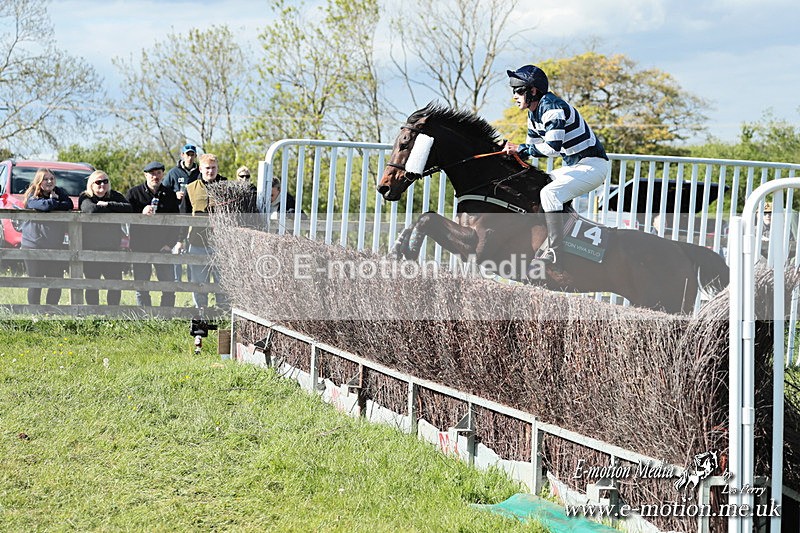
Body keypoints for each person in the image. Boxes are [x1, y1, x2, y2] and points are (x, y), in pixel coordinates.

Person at [503, 64, 610, 270]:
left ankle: (555, 253)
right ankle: (553, 240)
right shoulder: (533, 113)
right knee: (539, 185)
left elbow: (552, 148)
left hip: (593, 166)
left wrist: (521, 148)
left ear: (533, 91)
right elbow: (531, 149)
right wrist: (512, 154)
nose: (514, 96)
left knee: (550, 194)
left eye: (518, 90)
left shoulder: (552, 107)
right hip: (576, 166)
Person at [125, 161, 183, 307]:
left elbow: (176, 222)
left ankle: (166, 315)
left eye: (158, 173)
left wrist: (169, 244)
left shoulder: (170, 195)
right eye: (152, 173)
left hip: (163, 246)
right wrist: (141, 213)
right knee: (141, 287)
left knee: (168, 286)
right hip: (140, 246)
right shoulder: (134, 193)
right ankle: (145, 315)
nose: (155, 176)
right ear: (145, 175)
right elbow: (125, 216)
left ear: (163, 175)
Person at [181, 153, 228, 309]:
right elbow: (184, 216)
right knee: (199, 281)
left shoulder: (227, 186)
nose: (210, 171)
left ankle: (222, 311)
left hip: (221, 243)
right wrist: (180, 240)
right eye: (207, 168)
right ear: (200, 168)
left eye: (213, 168)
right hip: (197, 242)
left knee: (223, 281)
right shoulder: (191, 188)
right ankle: (201, 312)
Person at [79, 170, 132, 306]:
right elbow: (90, 209)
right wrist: (114, 211)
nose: (102, 184)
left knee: (115, 283)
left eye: (105, 181)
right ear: (91, 184)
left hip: (112, 247)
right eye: (98, 182)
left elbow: (128, 208)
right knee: (92, 283)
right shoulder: (85, 196)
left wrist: (108, 205)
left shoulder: (114, 195)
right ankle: (93, 312)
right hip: (91, 248)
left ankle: (112, 311)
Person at [20, 168, 72, 305]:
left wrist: (54, 202)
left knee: (56, 281)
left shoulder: (59, 192)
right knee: (36, 282)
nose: (49, 182)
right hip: (33, 246)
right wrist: (54, 201)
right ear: (39, 181)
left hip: (55, 245)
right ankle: (35, 312)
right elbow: (40, 205)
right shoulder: (32, 193)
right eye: (45, 179)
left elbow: (69, 204)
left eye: (52, 179)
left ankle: (51, 311)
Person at [163, 144, 198, 282]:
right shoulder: (174, 173)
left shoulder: (199, 172)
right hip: (177, 215)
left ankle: (191, 280)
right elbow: (163, 192)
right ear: (182, 155)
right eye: (187, 154)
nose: (190, 157)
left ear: (195, 156)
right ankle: (176, 280)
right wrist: (174, 195)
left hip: (194, 216)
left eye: (192, 155)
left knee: (191, 250)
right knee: (176, 248)